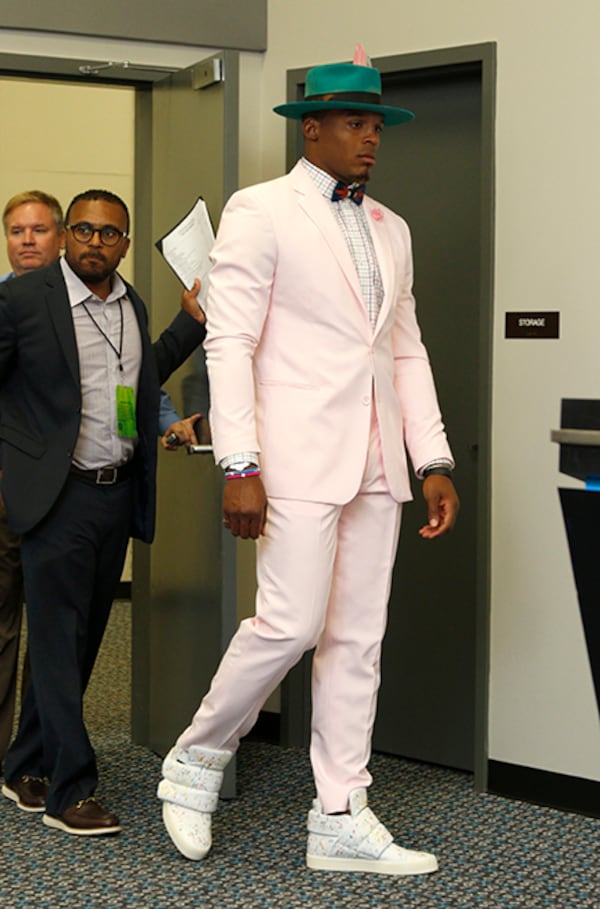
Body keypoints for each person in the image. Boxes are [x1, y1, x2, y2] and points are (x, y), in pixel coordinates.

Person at [157, 45, 460, 876]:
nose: (370, 138)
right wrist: (239, 462)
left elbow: (405, 352)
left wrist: (431, 456)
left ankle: (339, 812)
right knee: (288, 623)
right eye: (356, 124)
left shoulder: (391, 228)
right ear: (314, 128)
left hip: (375, 462)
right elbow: (231, 340)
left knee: (357, 638)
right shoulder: (261, 210)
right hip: (289, 460)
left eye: (376, 125)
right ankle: (198, 754)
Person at [0, 188, 206, 836]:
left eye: (108, 233)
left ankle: (23, 765)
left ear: (123, 241)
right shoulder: (23, 299)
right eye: (84, 230)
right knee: (58, 641)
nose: (95, 241)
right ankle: (70, 787)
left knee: (83, 638)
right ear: (67, 236)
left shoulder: (128, 304)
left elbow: (138, 385)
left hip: (112, 494)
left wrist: (191, 323)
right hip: (54, 496)